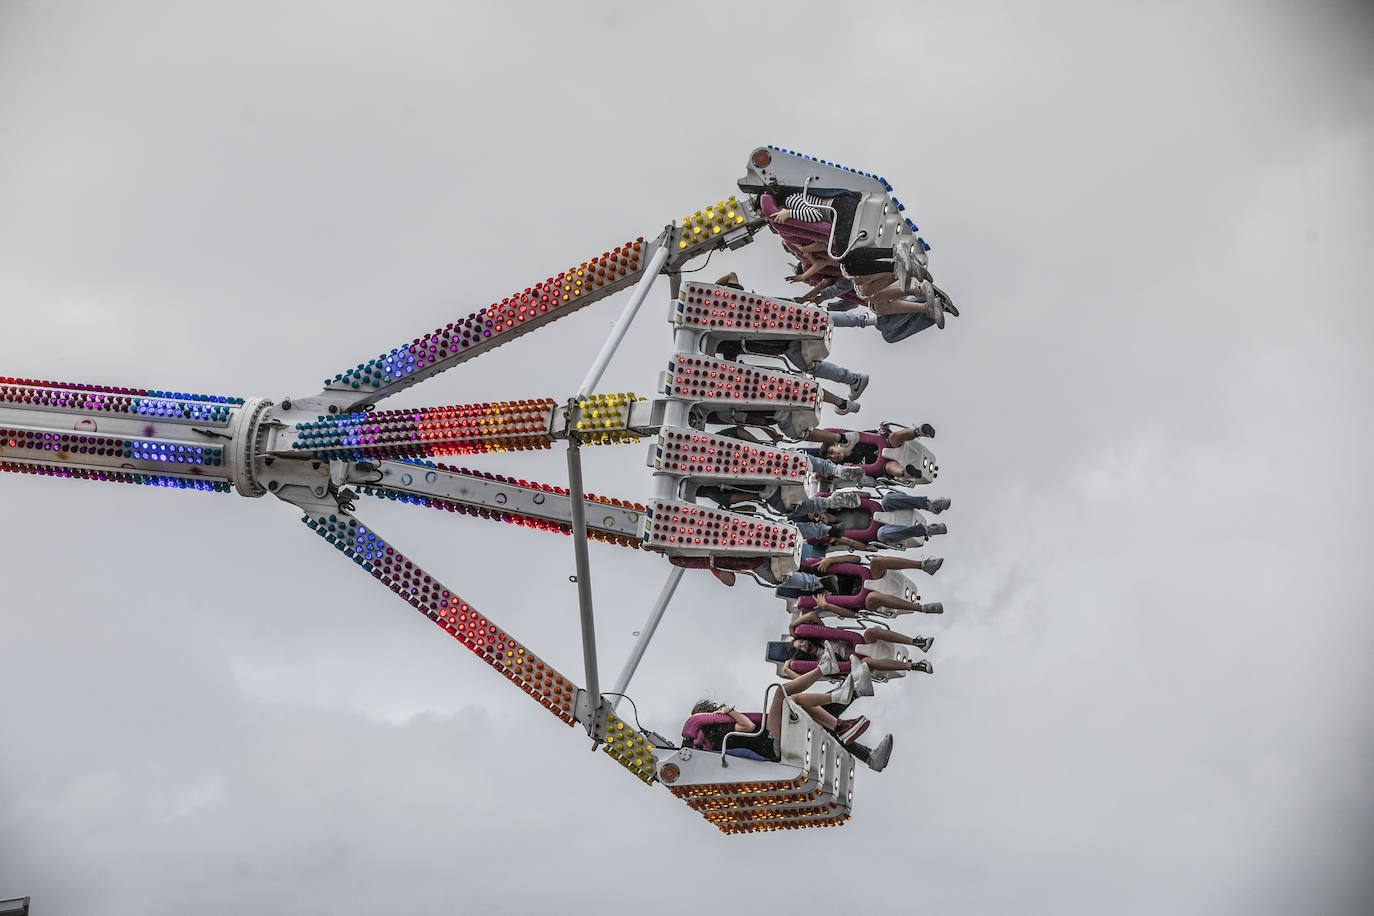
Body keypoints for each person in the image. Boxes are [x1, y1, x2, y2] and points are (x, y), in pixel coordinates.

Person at [688, 666, 884, 754]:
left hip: (772, 738)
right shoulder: (720, 736)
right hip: (770, 744)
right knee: (779, 694)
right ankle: (831, 676)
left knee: (798, 702)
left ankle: (843, 721)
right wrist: (729, 710)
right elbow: (747, 726)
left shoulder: (718, 737)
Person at [783, 610, 934, 681]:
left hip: (859, 643)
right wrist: (787, 668)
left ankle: (917, 642)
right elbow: (800, 682)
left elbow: (811, 616)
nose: (803, 645)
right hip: (854, 661)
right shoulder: (816, 663)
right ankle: (914, 666)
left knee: (870, 632)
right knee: (866, 663)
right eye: (800, 648)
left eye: (801, 642)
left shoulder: (821, 636)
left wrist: (792, 627)